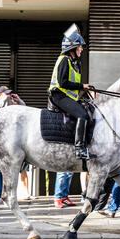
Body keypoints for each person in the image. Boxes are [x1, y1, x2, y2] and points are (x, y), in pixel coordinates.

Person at [48, 23, 95, 160]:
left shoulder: (75, 63)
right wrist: (82, 86)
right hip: (58, 96)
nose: (81, 49)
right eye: (80, 46)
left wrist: (84, 90)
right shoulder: (64, 60)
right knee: (82, 114)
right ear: (72, 47)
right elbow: (63, 83)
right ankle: (79, 148)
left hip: (67, 97)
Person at [0, 85, 33, 200]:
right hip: (6, 143)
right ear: (0, 95)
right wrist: (4, 99)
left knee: (23, 169)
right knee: (5, 171)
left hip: (18, 141)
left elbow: (25, 110)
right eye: (6, 93)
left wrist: (19, 100)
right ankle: (3, 194)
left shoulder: (12, 104)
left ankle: (25, 193)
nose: (9, 96)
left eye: (9, 93)